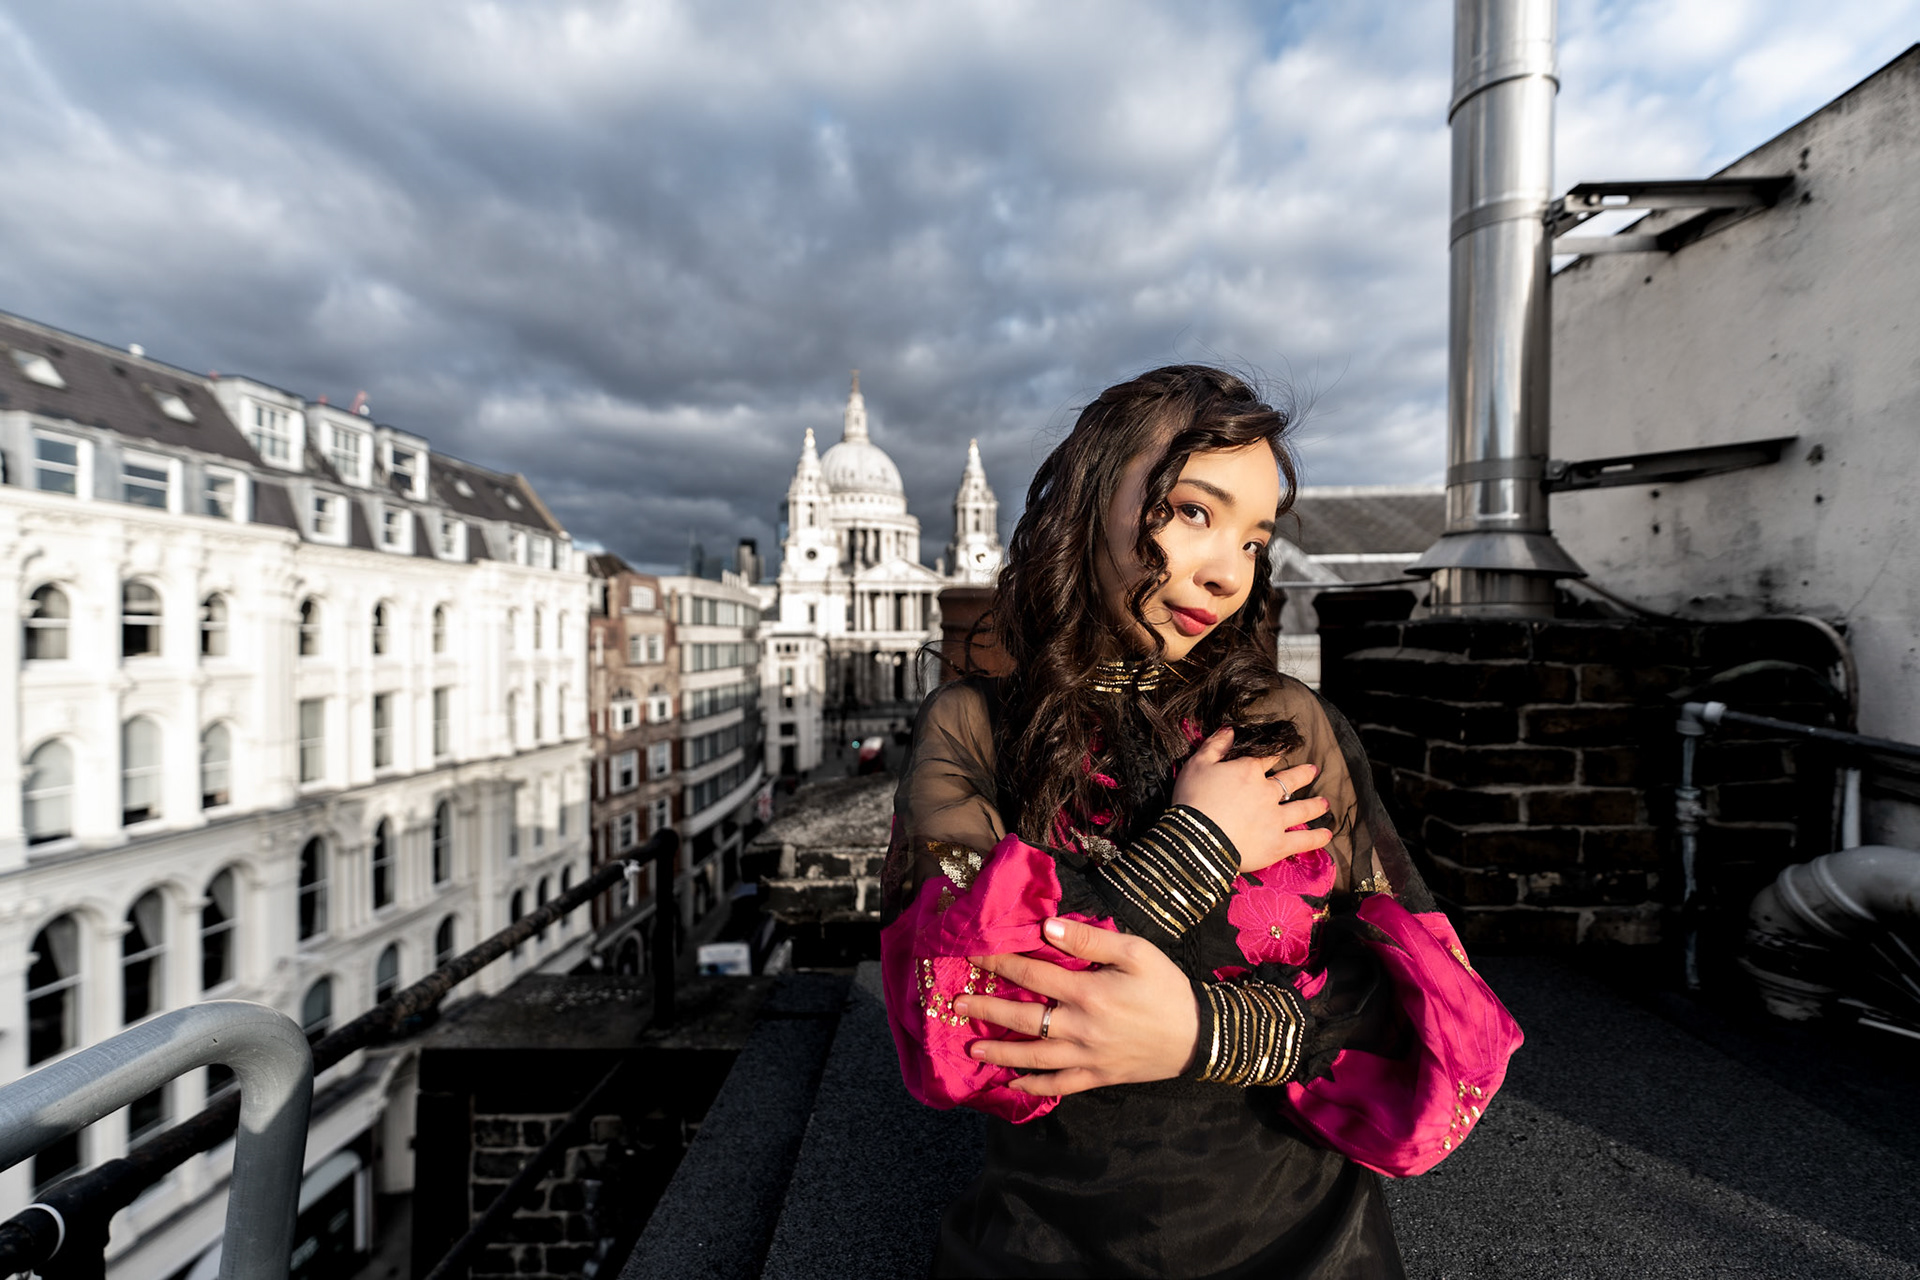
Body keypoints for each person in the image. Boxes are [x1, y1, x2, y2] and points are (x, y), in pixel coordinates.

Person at [879, 365, 1522, 1278]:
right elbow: (956, 1029)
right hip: (1046, 1252)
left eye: (1254, 541)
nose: (1227, 572)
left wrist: (1210, 1033)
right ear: (1089, 502)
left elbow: (1440, 1015)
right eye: (1191, 511)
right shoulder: (976, 728)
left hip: (1312, 1249)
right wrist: (1197, 847)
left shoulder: (1284, 722)